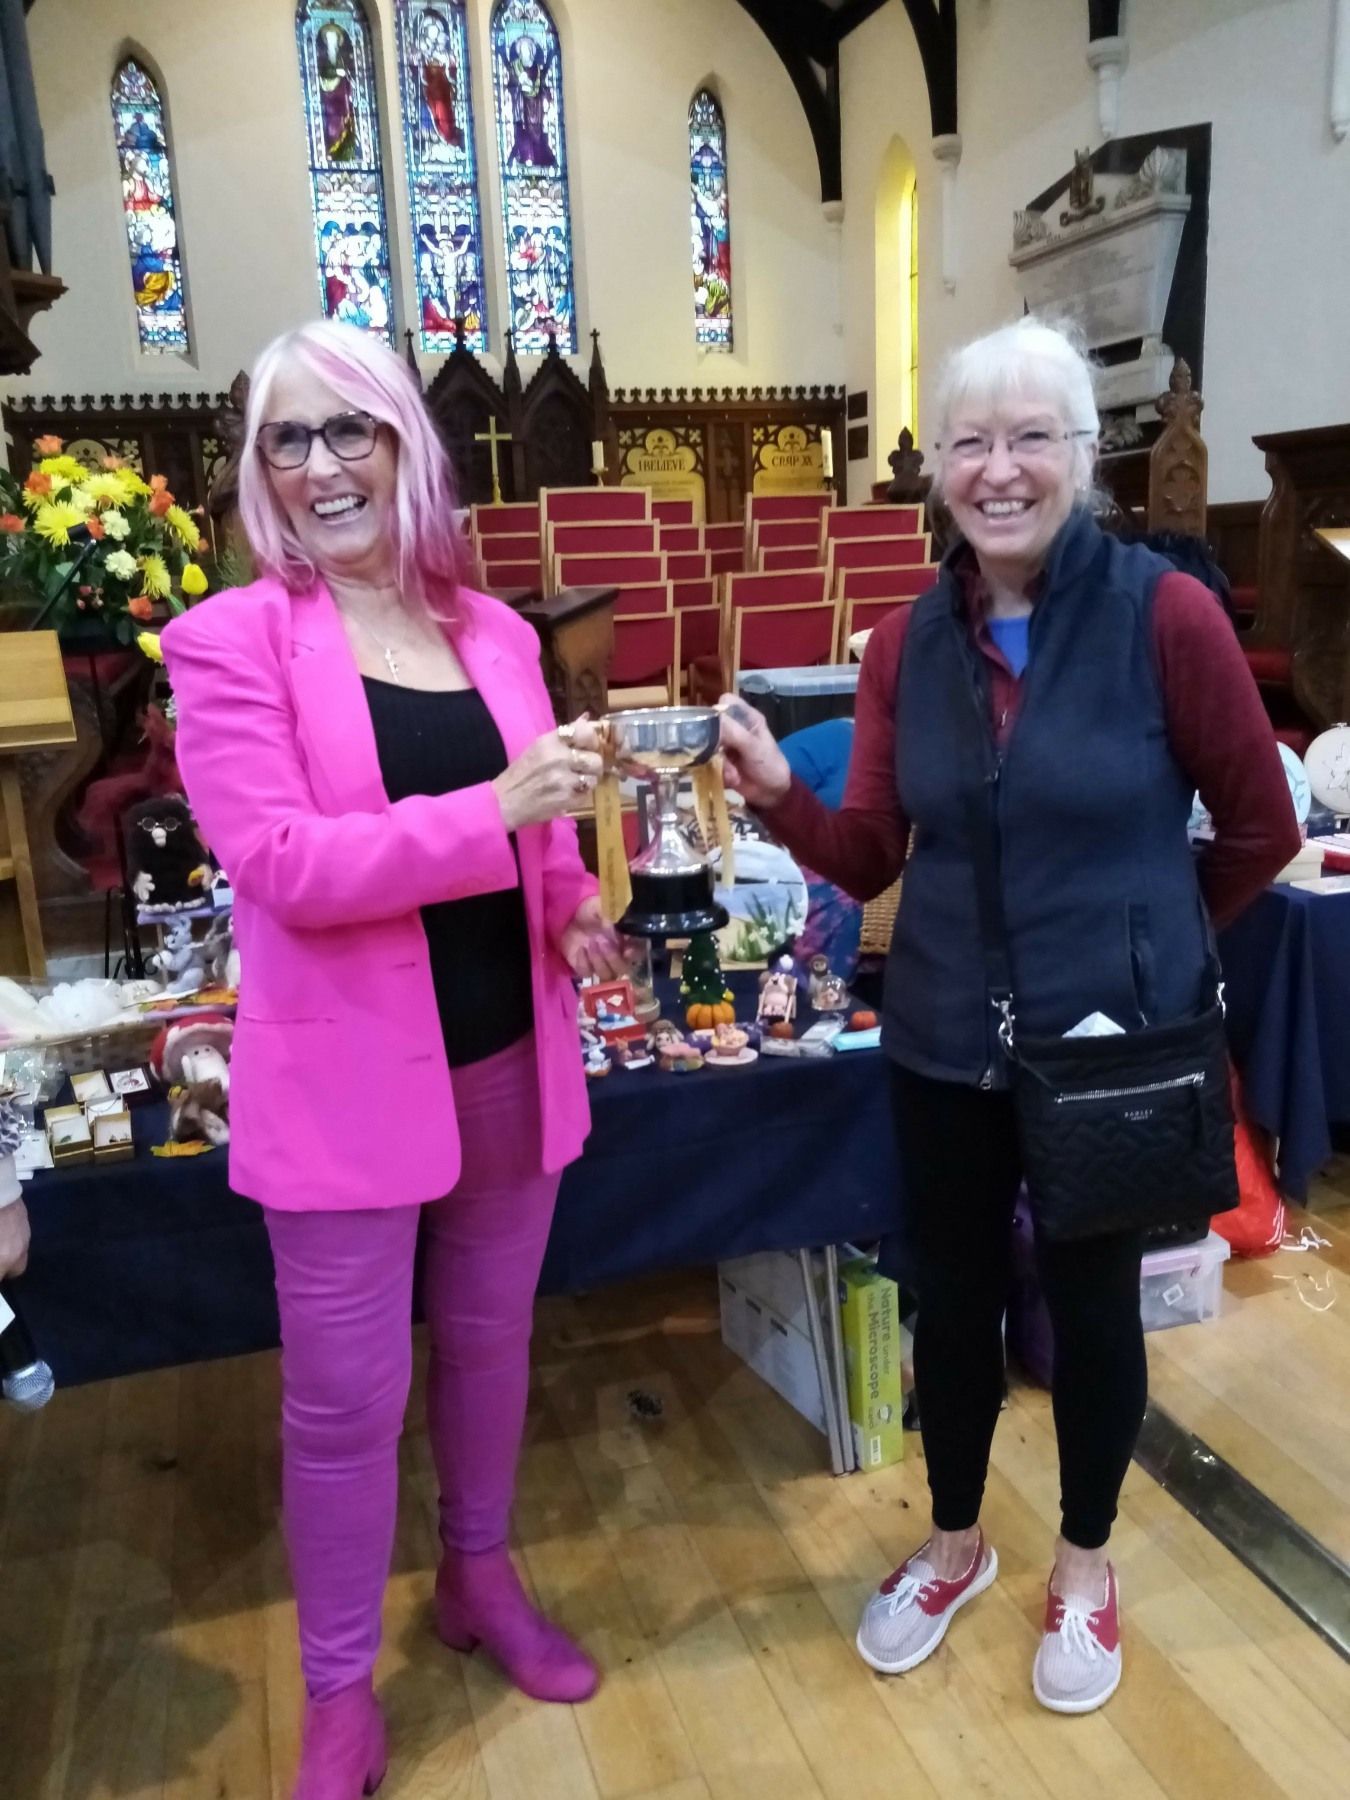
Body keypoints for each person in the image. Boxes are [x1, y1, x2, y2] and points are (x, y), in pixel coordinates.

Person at [719, 316, 1300, 1717]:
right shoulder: (904, 642)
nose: (996, 469)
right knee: (956, 1300)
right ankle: (955, 1541)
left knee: (1094, 1309)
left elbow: (1257, 828)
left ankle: (1085, 1564)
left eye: (1029, 436)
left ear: (1082, 458)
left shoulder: (1164, 615)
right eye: (969, 441)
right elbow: (868, 856)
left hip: (1104, 1049)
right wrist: (775, 796)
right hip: (938, 1041)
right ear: (939, 474)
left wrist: (1143, 959)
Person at [162, 319, 626, 1800]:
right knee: (345, 1401)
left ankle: (478, 1582)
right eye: (285, 440)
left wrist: (571, 909)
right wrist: (495, 812)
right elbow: (284, 864)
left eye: (346, 430)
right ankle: (338, 1689)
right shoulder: (230, 643)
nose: (319, 465)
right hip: (345, 1090)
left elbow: (538, 835)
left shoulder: (488, 631)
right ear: (259, 471)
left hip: (505, 1054)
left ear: (402, 445)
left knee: (492, 1350)